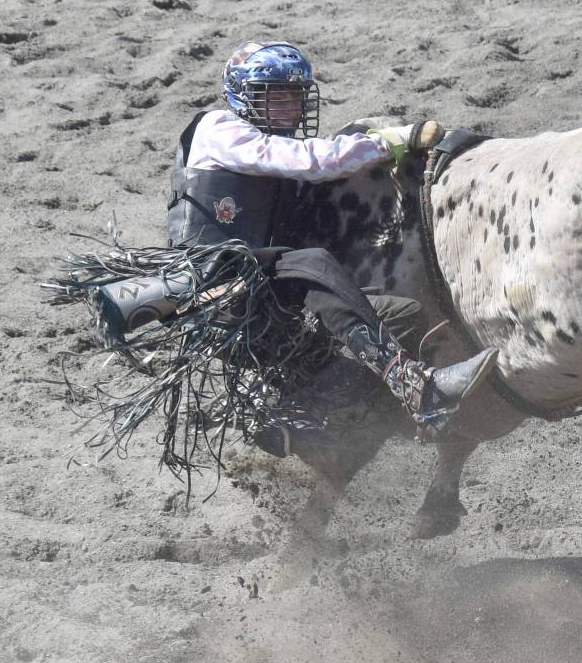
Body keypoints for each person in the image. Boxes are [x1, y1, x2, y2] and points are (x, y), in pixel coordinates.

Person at [165, 39, 498, 437]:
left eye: (295, 97)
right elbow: (310, 161)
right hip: (215, 281)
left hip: (263, 290)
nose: (289, 108)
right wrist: (387, 142)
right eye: (275, 97)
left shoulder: (269, 155)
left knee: (400, 314)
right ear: (241, 96)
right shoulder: (218, 129)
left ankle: (293, 428)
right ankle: (417, 387)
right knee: (315, 263)